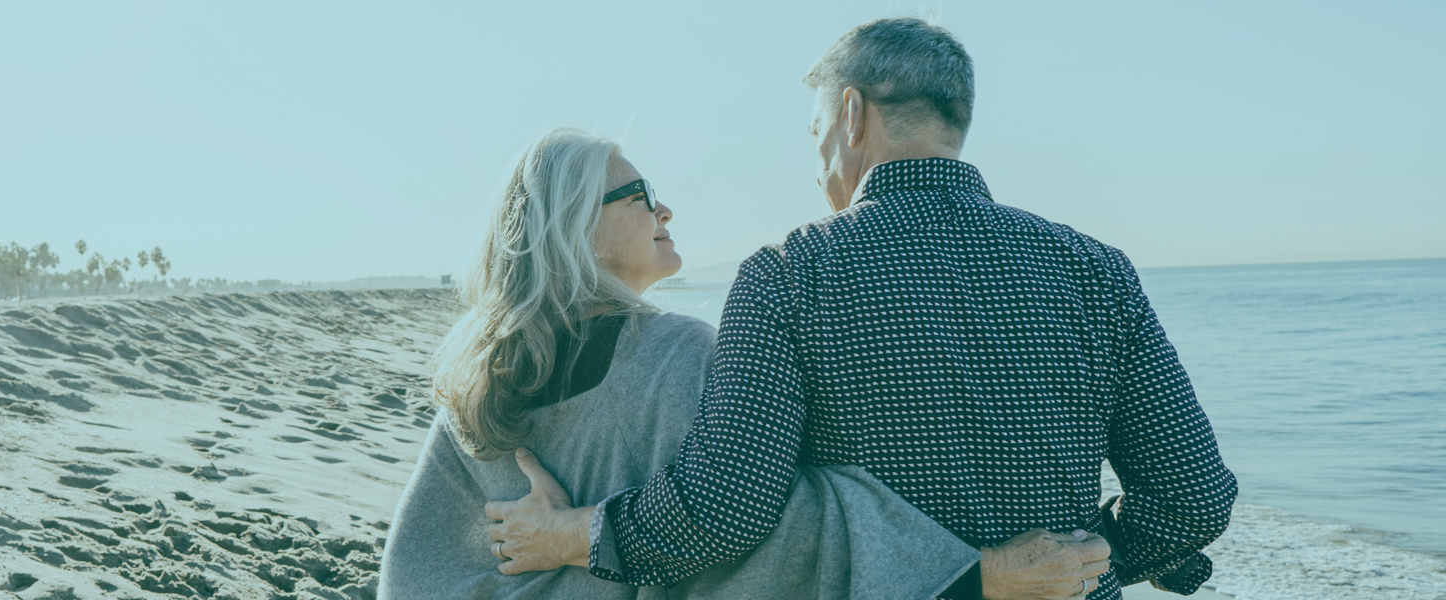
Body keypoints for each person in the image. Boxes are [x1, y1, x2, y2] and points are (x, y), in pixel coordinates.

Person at [486, 18, 1238, 600]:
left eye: (816, 135)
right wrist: (1090, 558)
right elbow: (1195, 498)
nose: (819, 169)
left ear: (851, 116)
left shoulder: (789, 272)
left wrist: (570, 537)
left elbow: (726, 508)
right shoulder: (1097, 270)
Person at [378, 128, 1109, 600]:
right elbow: (777, 528)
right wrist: (979, 576)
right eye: (641, 197)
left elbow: (418, 569)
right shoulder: (677, 354)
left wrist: (564, 541)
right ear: (573, 224)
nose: (666, 211)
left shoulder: (475, 379)